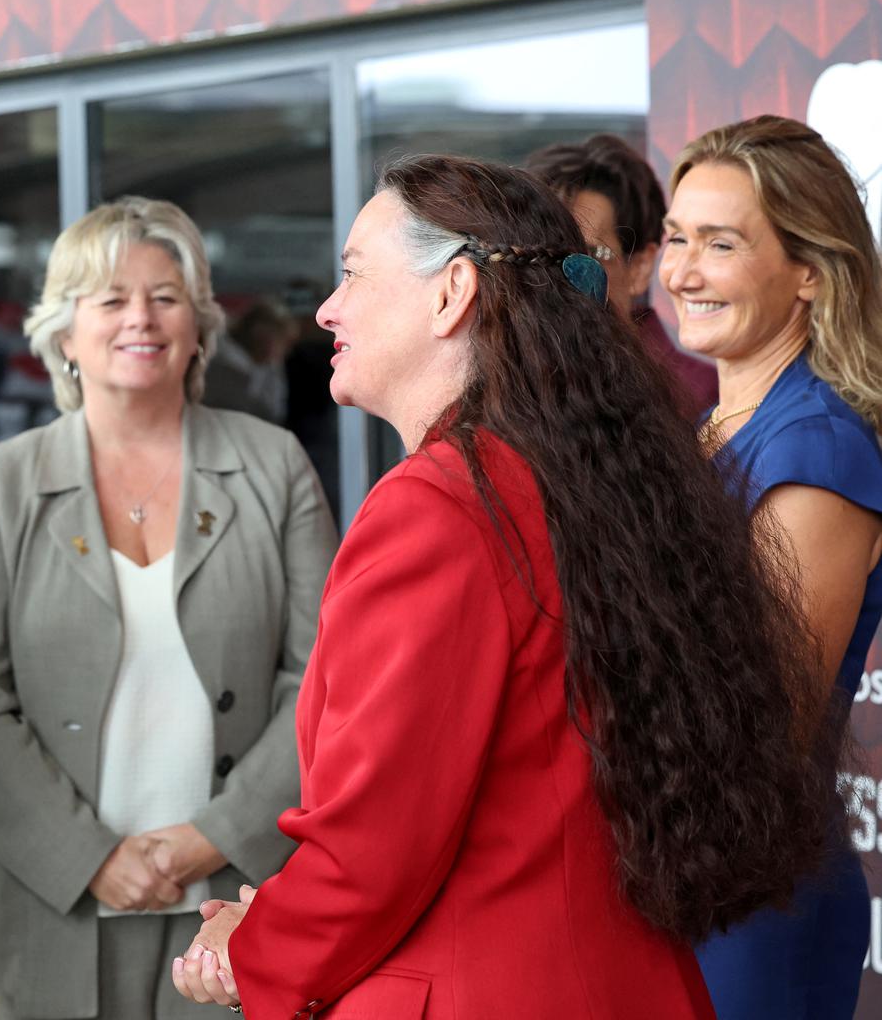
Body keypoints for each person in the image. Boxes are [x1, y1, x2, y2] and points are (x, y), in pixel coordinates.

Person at [172, 156, 840, 1018]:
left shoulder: (436, 509)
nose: (326, 310)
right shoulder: (586, 479)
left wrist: (252, 946)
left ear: (451, 294)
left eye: (351, 275)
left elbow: (373, 849)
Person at [0, 196, 338, 1018]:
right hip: (48, 904)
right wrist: (89, 857)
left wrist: (215, 837)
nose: (140, 319)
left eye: (165, 295)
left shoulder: (274, 465)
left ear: (198, 323)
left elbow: (324, 679)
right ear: (64, 331)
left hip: (231, 901)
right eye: (110, 298)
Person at [661, 115, 882, 1020]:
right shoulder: (708, 428)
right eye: (676, 238)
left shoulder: (816, 449)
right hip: (674, 872)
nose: (680, 272)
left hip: (750, 905)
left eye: (720, 244)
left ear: (808, 272)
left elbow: (757, 729)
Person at [527, 133, 718, 420]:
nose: (557, 272)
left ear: (640, 267)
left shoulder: (698, 395)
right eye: (542, 253)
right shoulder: (505, 377)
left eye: (586, 255)